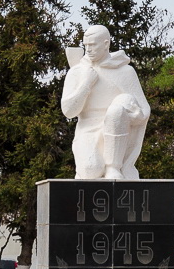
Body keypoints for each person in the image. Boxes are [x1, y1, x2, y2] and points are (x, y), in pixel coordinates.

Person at [61, 25, 150, 180]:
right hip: (87, 129)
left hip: (118, 129)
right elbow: (68, 111)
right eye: (86, 45)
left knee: (119, 106)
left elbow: (143, 109)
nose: (88, 49)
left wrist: (135, 113)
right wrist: (86, 84)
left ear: (106, 44)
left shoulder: (125, 72)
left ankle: (113, 167)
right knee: (90, 171)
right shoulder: (77, 72)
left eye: (93, 45)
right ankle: (97, 165)